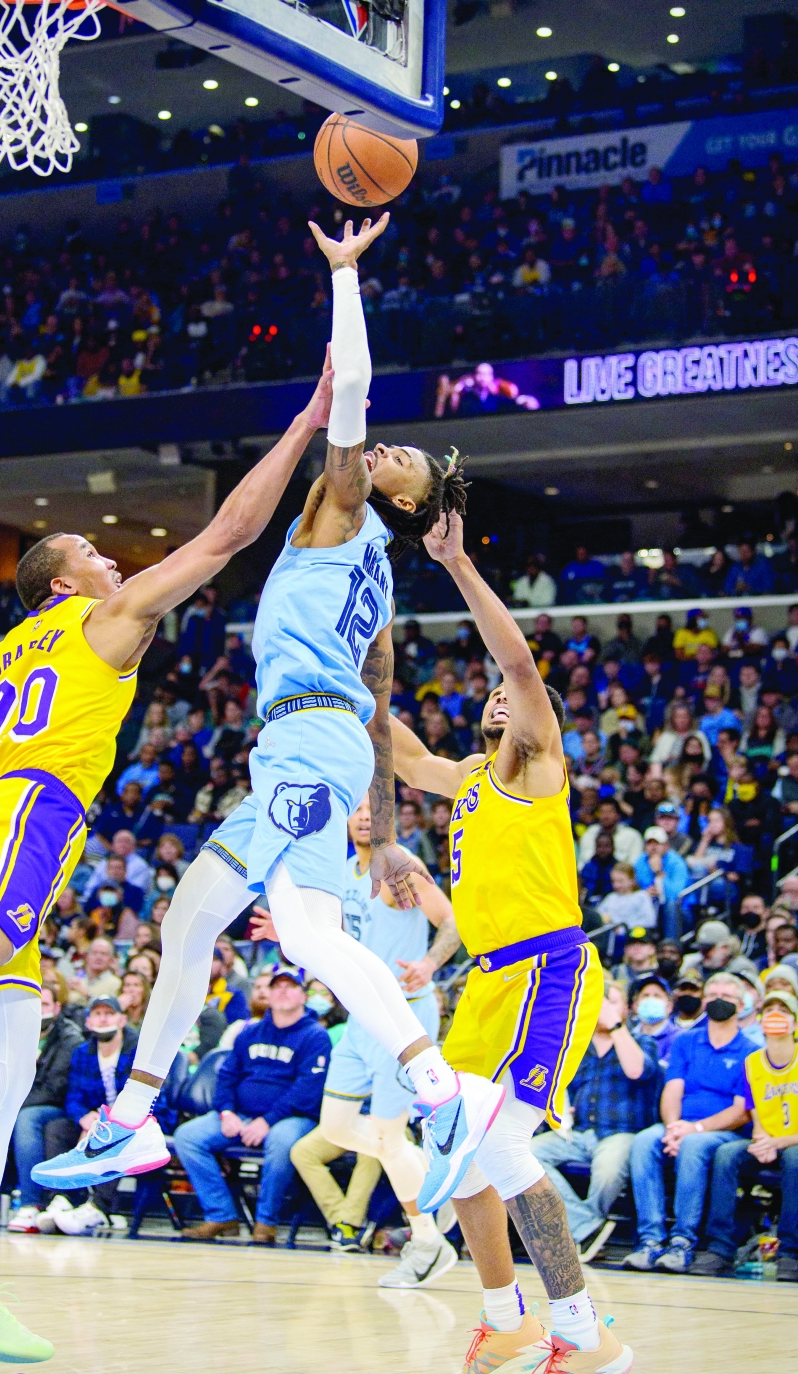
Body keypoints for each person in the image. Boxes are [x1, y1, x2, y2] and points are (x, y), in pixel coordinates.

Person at [0, 350, 338, 1362]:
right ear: (63, 581)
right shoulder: (104, 622)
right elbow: (230, 533)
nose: (114, 561)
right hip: (29, 816)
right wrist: (306, 420)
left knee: (3, 1064)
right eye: (95, 550)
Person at [35, 215, 501, 1214]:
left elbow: (356, 396)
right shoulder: (376, 585)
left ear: (406, 503)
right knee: (190, 913)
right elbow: (378, 714)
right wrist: (382, 832)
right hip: (307, 744)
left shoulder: (345, 514)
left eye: (402, 460)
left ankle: (442, 1092)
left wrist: (343, 277)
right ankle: (137, 1115)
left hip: (302, 737)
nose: (384, 452)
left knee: (304, 931)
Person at [390, 510, 625, 1372]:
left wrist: (454, 562)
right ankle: (506, 1316)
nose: (500, 694)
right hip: (488, 983)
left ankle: (584, 1329)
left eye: (515, 697)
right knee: (453, 1144)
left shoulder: (534, 766)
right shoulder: (465, 780)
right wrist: (338, 685)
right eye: (489, 694)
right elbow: (406, 758)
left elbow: (521, 663)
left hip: (547, 969)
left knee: (497, 1143)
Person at [256, 796, 463, 1285]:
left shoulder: (401, 867)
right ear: (345, 818)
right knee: (337, 1129)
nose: (367, 815)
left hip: (403, 1022)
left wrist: (430, 963)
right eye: (358, 808)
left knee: (388, 1141)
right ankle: (438, 1181)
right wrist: (283, 931)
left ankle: (427, 1242)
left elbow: (451, 921)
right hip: (359, 1021)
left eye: (377, 807)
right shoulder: (342, 870)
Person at [173, 964, 331, 1243]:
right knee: (188, 1136)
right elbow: (227, 1076)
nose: (282, 992)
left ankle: (265, 1223)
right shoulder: (249, 1033)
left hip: (290, 1118)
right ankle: (221, 1216)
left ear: (303, 995)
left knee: (281, 1142)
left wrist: (268, 1121)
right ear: (267, 995)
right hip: (241, 1115)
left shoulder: (315, 1036)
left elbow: (308, 1089)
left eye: (290, 986)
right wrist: (226, 1112)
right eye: (276, 986)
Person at [624, 973, 751, 1273]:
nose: (719, 1000)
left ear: (742, 1004)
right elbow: (672, 1090)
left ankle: (682, 1242)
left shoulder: (750, 1051)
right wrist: (673, 1127)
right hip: (680, 1125)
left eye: (727, 996)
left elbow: (740, 1112)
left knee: (693, 1145)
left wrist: (694, 1129)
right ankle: (651, 1240)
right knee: (643, 1141)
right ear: (703, 1000)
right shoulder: (686, 1041)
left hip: (722, 1132)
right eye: (713, 994)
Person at [531, 982, 659, 1263]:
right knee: (525, 1155)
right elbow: (564, 1088)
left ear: (626, 1008)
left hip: (622, 1132)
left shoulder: (643, 1041)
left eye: (611, 1002)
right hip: (577, 1133)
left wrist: (615, 1027)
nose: (604, 1009)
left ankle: (582, 1232)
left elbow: (637, 1070)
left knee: (608, 1171)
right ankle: (587, 1227)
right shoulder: (578, 1047)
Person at [691, 986, 798, 1279]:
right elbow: (755, 1109)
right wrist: (764, 1139)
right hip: (767, 1141)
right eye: (771, 1011)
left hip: (793, 1143)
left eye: (784, 1011)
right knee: (727, 1155)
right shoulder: (752, 1062)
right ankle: (719, 1248)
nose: (776, 1017)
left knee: (795, 1159)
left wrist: (778, 1142)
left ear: (795, 1022)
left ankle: (791, 1252)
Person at [42, 996, 138, 1237]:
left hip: (135, 1120)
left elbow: (149, 1098)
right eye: (97, 1013)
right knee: (57, 1128)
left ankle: (99, 1208)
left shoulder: (138, 1050)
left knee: (111, 1133)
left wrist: (107, 1118)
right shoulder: (82, 1053)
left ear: (122, 1019)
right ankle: (62, 1197)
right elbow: (73, 1095)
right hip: (96, 1118)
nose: (103, 1018)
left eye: (109, 1013)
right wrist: (83, 1116)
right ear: (88, 1022)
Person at [8, 984, 84, 1230]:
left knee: (26, 1119)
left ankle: (31, 1204)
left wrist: (13, 1104)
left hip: (58, 1107)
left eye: (45, 1005)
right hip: (22, 1103)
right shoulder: (16, 1034)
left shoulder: (69, 1038)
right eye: (34, 1004)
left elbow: (55, 1089)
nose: (39, 1011)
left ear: (57, 1008)